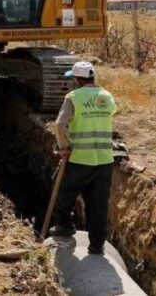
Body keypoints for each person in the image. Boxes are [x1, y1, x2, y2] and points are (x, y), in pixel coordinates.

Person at [49, 60, 118, 255]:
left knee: (60, 188)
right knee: (98, 205)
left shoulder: (73, 97)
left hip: (80, 158)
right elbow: (110, 113)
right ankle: (97, 245)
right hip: (104, 161)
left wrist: (63, 148)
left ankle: (64, 226)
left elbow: (60, 124)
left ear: (78, 79)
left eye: (73, 78)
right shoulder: (107, 96)